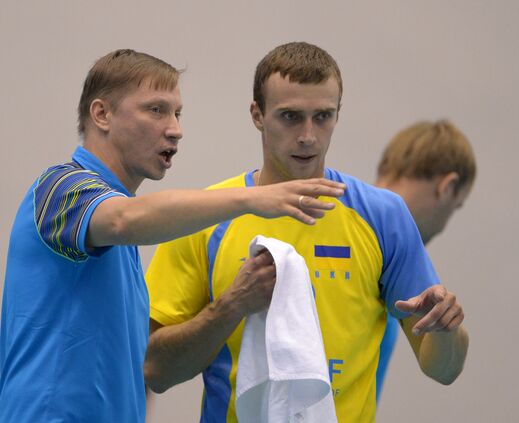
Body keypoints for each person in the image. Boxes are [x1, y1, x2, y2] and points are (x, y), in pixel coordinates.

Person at [0, 49, 345, 423]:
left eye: (177, 113)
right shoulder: (62, 187)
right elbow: (124, 220)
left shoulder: (118, 228)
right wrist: (252, 197)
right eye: (156, 110)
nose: (175, 129)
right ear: (102, 114)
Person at [144, 42, 469, 423]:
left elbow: (443, 370)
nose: (308, 136)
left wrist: (449, 331)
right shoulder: (208, 216)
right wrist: (232, 305)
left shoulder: (382, 216)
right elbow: (156, 370)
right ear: (257, 114)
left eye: (323, 117)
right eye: (290, 116)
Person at [374, 120, 476, 403]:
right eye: (455, 208)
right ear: (448, 186)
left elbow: (444, 369)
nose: (444, 226)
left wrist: (448, 328)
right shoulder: (384, 242)